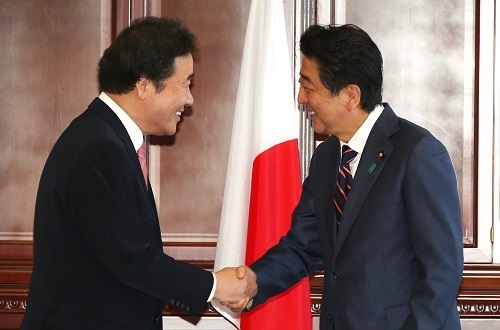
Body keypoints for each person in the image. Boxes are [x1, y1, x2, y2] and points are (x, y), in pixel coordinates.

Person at [21, 16, 256, 330]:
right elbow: (132, 260)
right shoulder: (98, 148)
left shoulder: (106, 139)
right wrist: (214, 286)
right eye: (185, 83)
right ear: (144, 85)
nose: (190, 99)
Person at [228, 24, 464, 329]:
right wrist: (254, 281)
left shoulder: (418, 153)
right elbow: (304, 244)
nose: (301, 98)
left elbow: (441, 272)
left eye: (309, 86)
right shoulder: (327, 157)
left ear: (350, 95)